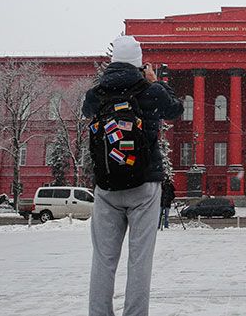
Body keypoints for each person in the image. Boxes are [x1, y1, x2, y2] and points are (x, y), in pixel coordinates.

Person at [82, 34, 183, 316]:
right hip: (144, 184)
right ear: (139, 63)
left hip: (107, 184)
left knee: (103, 260)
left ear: (113, 61)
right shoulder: (150, 90)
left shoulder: (97, 93)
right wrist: (155, 81)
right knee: (139, 261)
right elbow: (175, 109)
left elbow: (85, 111)